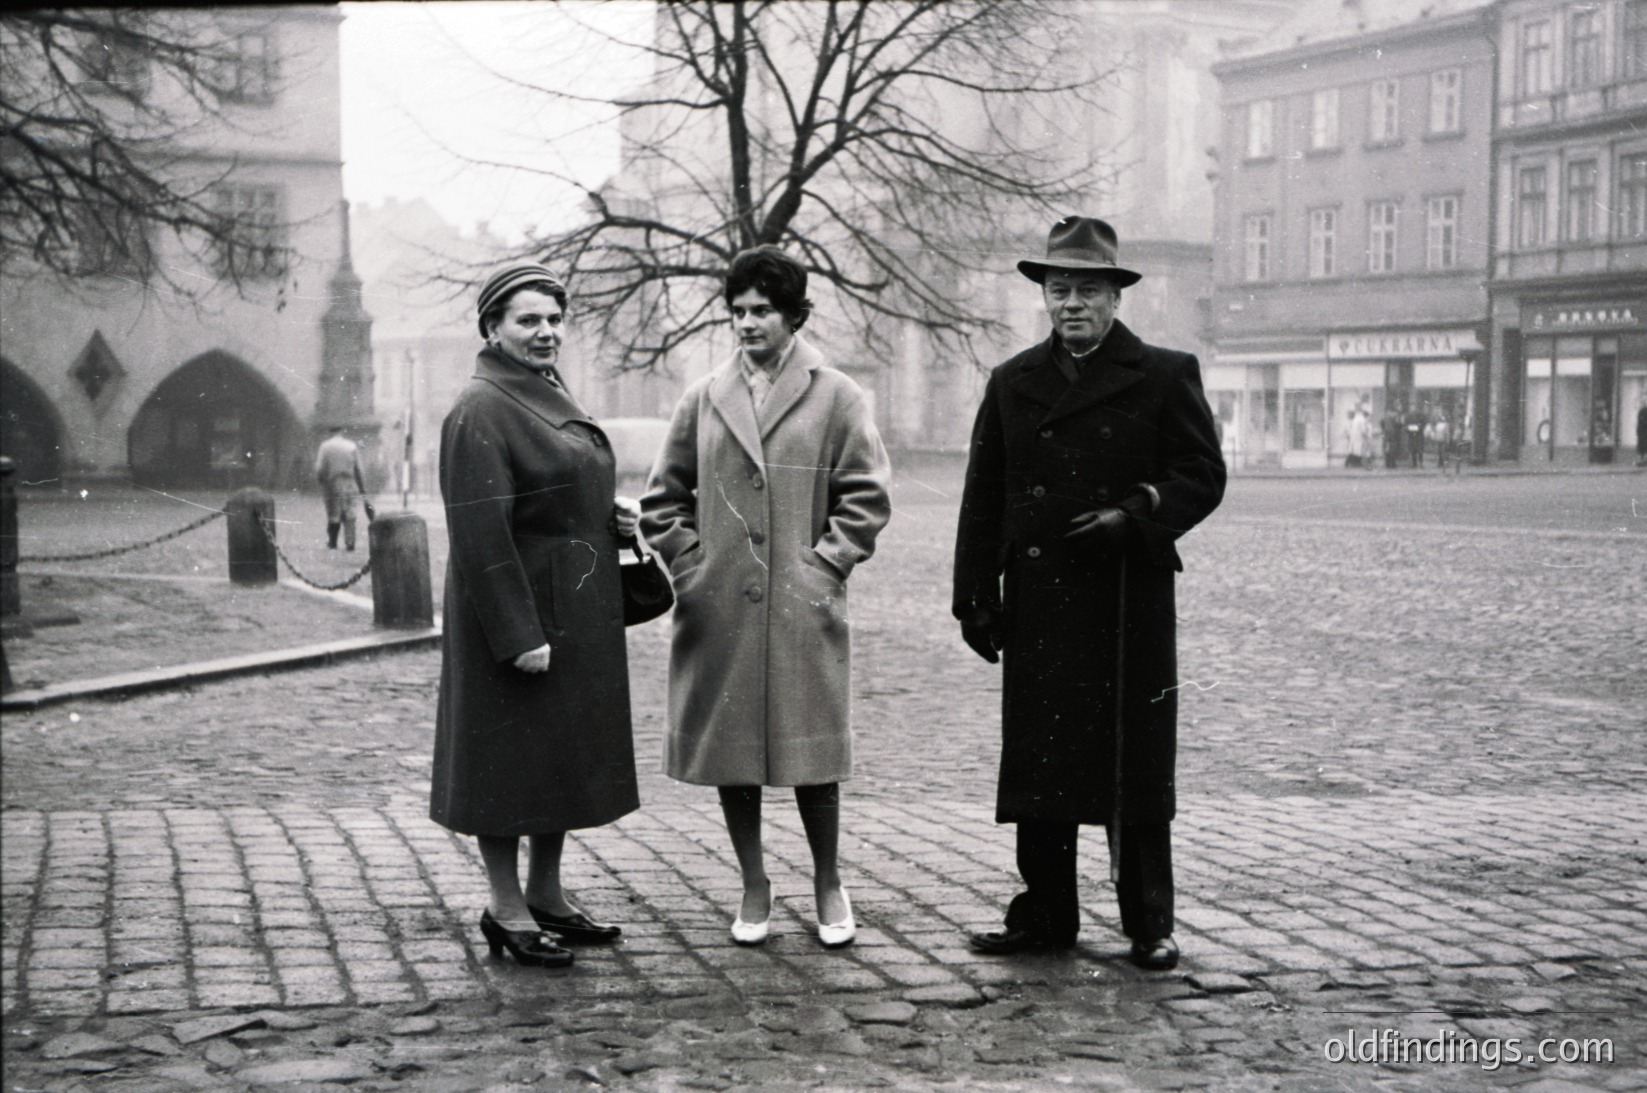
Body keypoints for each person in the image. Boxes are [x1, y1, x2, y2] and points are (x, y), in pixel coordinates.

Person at [952, 216, 1225, 971]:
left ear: (1114, 297)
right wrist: (974, 595)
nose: (1071, 304)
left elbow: (1202, 475)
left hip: (1127, 599)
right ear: (1044, 296)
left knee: (1133, 763)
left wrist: (1134, 514)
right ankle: (1045, 915)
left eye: (1088, 291)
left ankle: (1149, 921)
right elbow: (984, 496)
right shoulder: (1012, 381)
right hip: (1039, 598)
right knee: (1042, 762)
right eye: (1059, 289)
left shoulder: (1164, 373)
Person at [641, 246, 891, 949]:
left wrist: (825, 566)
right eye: (738, 311)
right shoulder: (703, 396)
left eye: (763, 311)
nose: (747, 323)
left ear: (794, 315)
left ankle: (827, 881)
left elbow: (866, 496)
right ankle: (754, 882)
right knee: (733, 754)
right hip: (720, 602)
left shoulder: (836, 395)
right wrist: (691, 564)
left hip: (800, 602)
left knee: (813, 753)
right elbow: (662, 499)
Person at [430, 262, 640, 968]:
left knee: (558, 758)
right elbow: (479, 533)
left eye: (554, 318)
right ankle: (505, 904)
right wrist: (517, 634)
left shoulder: (542, 389)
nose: (546, 331)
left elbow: (555, 486)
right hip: (518, 615)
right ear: (493, 328)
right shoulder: (481, 407)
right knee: (506, 765)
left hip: (570, 608)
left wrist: (607, 512)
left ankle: (546, 893)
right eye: (528, 320)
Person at [314, 427, 367, 550]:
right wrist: (362, 488)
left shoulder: (325, 446)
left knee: (334, 512)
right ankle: (350, 542)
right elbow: (358, 469)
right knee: (350, 512)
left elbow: (320, 468)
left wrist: (321, 481)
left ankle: (333, 542)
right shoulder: (351, 446)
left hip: (332, 482)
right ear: (342, 432)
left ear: (331, 432)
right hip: (350, 482)